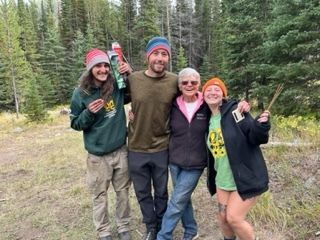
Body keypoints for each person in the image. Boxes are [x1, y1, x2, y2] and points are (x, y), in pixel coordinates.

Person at [156, 69, 251, 240]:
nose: (189, 85)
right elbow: (156, 118)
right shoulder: (172, 104)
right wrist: (133, 116)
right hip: (175, 160)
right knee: (182, 197)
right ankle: (191, 230)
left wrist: (242, 106)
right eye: (185, 82)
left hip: (196, 162)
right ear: (179, 85)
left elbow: (226, 106)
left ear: (199, 84)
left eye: (193, 82)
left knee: (177, 200)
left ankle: (163, 236)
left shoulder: (206, 103)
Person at [69, 48, 132, 240]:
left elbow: (134, 93)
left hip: (120, 150)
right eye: (98, 66)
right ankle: (103, 231)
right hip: (97, 157)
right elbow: (75, 123)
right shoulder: (81, 93)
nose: (103, 69)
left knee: (123, 193)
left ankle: (123, 227)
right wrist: (89, 113)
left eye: (106, 65)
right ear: (90, 69)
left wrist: (129, 74)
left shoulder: (116, 85)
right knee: (99, 196)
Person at [203, 78, 271, 240]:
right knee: (223, 218)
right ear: (203, 95)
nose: (213, 92)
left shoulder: (236, 112)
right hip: (222, 179)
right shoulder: (206, 118)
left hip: (246, 177)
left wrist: (261, 125)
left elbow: (255, 137)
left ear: (223, 95)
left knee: (234, 218)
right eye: (208, 90)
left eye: (217, 90)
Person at [127, 36, 178, 240]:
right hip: (136, 147)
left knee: (161, 191)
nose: (160, 58)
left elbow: (197, 95)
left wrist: (232, 105)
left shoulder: (175, 81)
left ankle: (162, 224)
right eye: (156, 53)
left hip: (161, 147)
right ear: (148, 56)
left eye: (164, 54)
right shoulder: (133, 79)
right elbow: (112, 96)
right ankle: (151, 227)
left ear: (168, 58)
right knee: (142, 192)